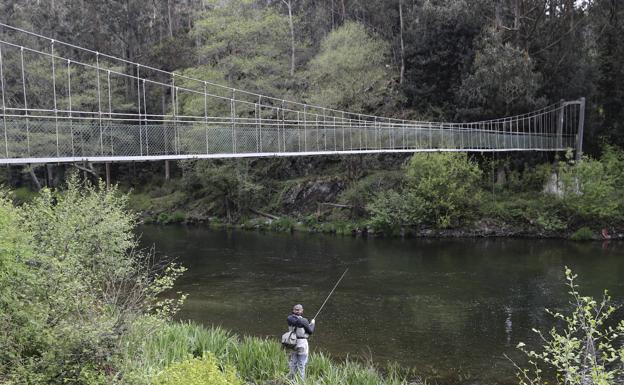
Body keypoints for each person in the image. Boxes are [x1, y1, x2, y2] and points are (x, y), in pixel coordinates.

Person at [287, 303, 315, 379]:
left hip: (292, 343)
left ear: (293, 310)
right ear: (302, 311)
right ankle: (301, 381)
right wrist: (312, 323)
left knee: (293, 363)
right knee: (301, 364)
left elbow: (296, 322)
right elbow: (310, 331)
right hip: (302, 344)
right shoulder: (304, 320)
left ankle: (291, 379)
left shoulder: (289, 318)